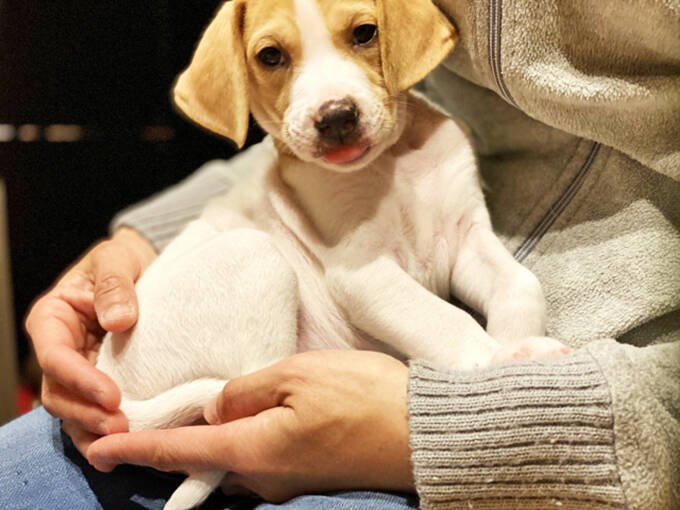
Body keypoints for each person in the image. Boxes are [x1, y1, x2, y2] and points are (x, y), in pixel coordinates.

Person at [2, 0, 679, 508]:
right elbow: (352, 272)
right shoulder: (345, 157)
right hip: (228, 369)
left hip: (439, 419)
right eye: (274, 57)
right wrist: (139, 238)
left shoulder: (438, 139)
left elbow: (468, 250)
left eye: (362, 35)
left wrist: (497, 391)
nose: (331, 104)